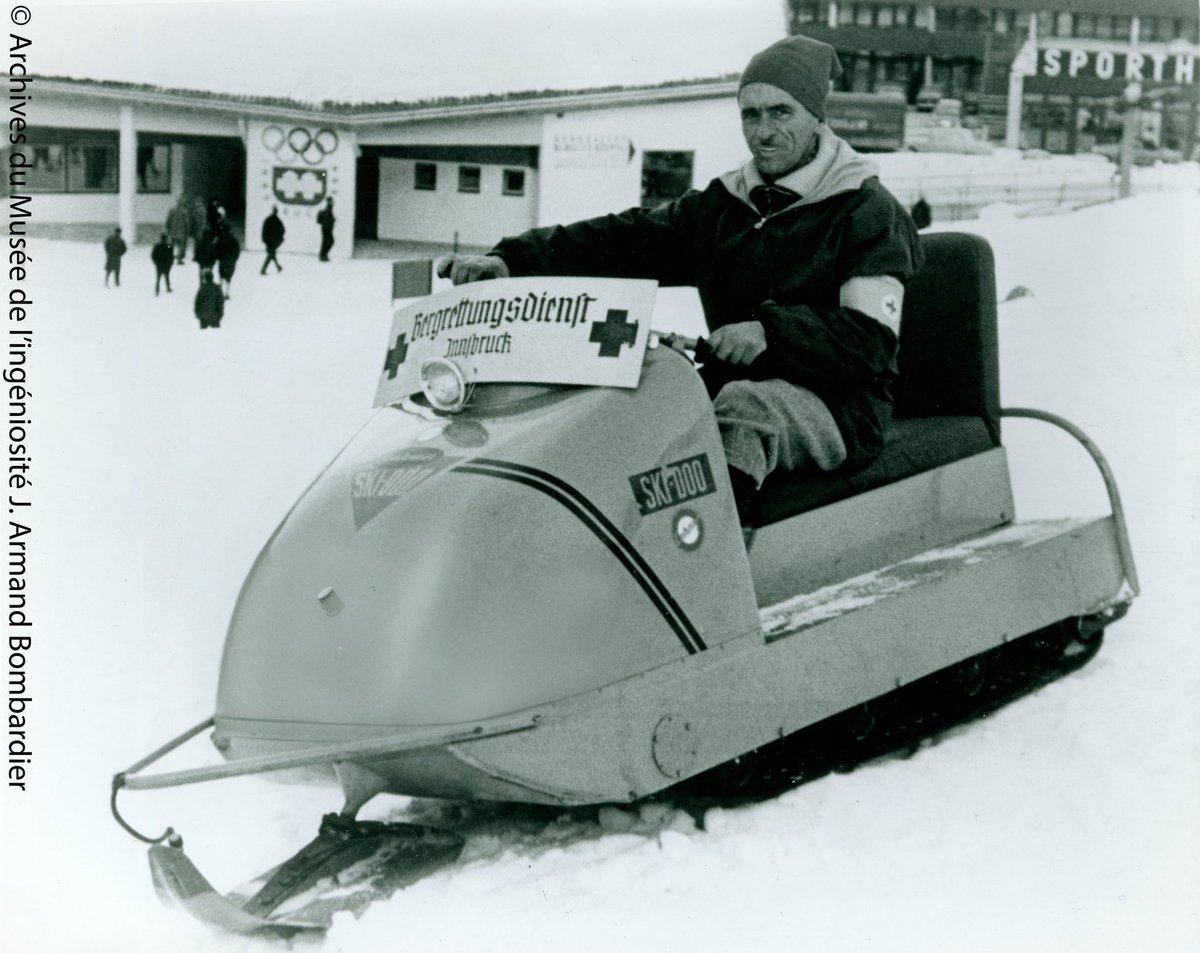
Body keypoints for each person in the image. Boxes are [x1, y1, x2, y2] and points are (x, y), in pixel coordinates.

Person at [437, 35, 922, 519]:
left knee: (747, 411)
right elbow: (623, 240)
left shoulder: (865, 210)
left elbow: (870, 341)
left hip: (839, 406)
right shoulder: (725, 206)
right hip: (730, 383)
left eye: (781, 112)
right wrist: (513, 260)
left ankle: (705, 569)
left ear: (818, 117)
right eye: (750, 115)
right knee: (628, 409)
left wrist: (770, 333)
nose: (763, 132)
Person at [214, 217, 241, 299]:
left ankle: (221, 290)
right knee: (228, 277)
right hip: (231, 261)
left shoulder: (220, 239)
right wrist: (235, 259)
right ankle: (227, 293)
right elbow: (237, 251)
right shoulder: (234, 240)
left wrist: (217, 258)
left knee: (221, 276)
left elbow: (216, 250)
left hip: (222, 260)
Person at [165, 194, 193, 264]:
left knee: (170, 246)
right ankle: (179, 259)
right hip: (182, 233)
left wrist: (168, 229)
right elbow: (187, 222)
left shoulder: (172, 210)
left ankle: (168, 258)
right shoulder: (185, 211)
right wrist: (188, 231)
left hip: (173, 232)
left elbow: (168, 220)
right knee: (181, 247)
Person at [261, 206, 285, 274]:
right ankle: (264, 270)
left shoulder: (268, 219)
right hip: (274, 241)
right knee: (271, 254)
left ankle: (277, 267)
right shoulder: (278, 220)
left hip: (268, 241)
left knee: (271, 254)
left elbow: (264, 230)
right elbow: (283, 230)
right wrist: (280, 238)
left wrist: (264, 239)